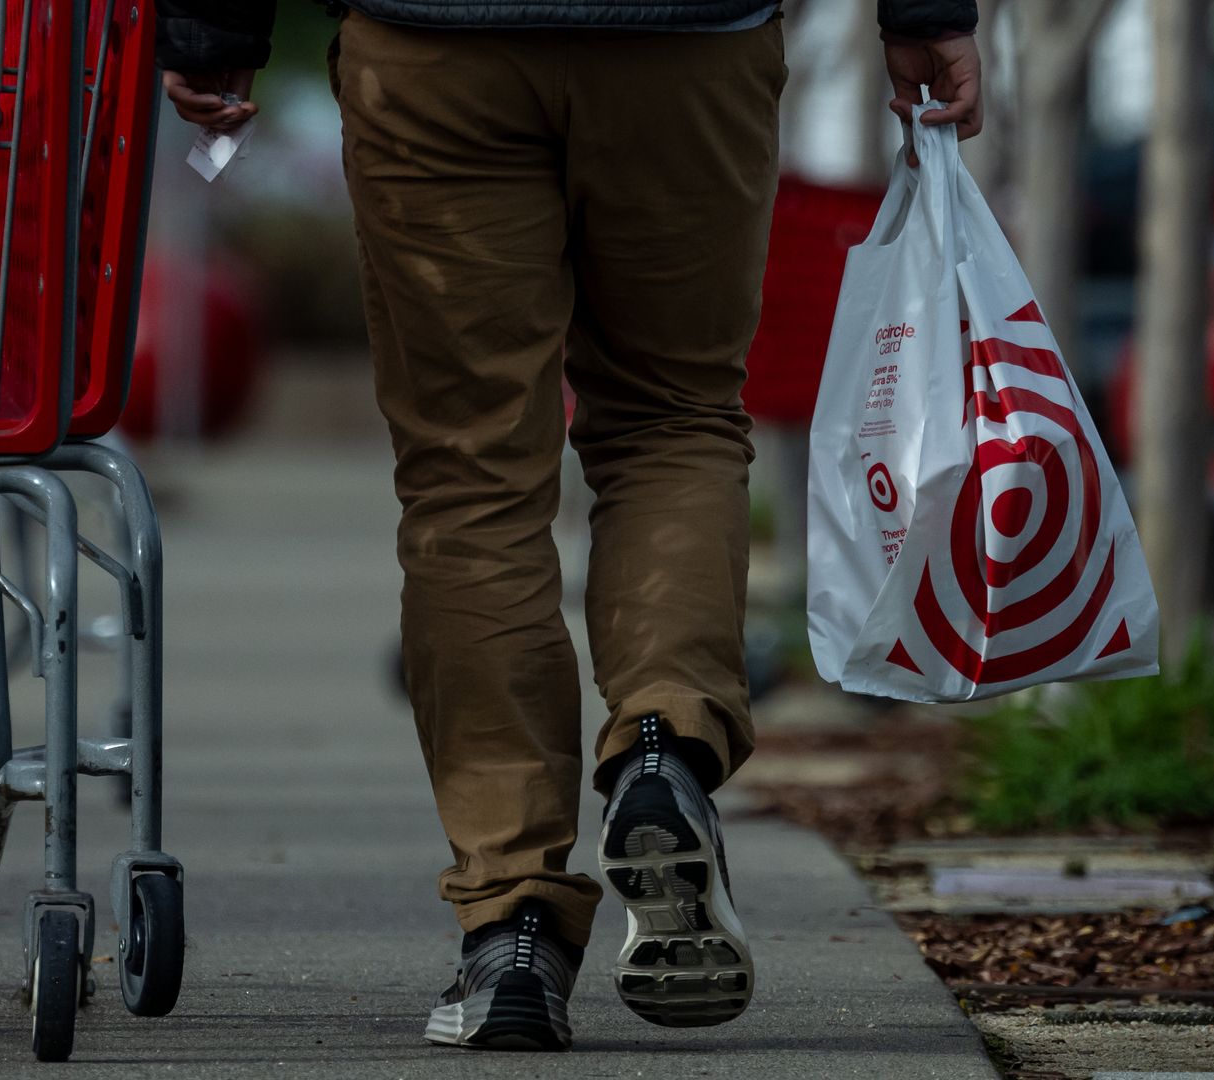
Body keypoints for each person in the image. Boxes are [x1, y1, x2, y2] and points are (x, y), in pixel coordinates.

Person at [157, 0, 981, 1052]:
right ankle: (661, 741)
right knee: (672, 419)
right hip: (688, 46)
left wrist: (211, 27)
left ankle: (514, 924)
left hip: (436, 51)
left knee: (470, 478)